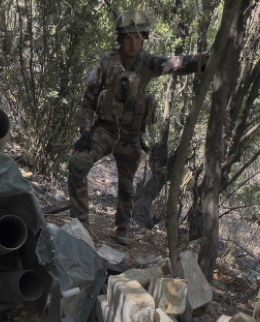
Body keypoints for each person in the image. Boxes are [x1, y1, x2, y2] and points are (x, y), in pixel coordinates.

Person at [68, 10, 208, 246]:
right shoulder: (106, 63)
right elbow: (88, 99)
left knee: (126, 185)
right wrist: (85, 131)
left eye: (138, 37)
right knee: (77, 163)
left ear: (144, 38)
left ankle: (121, 228)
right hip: (105, 130)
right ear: (120, 39)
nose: (133, 43)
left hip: (131, 135)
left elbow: (174, 64)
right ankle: (80, 224)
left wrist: (200, 60)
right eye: (128, 37)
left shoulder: (149, 63)